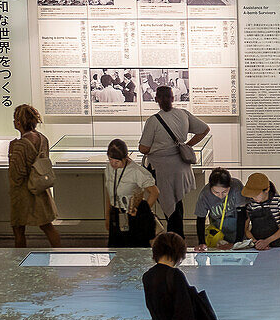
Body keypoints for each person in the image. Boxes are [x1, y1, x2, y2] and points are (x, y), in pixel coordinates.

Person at [138, 86, 210, 239]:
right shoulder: (183, 114)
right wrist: (186, 145)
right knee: (177, 202)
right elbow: (204, 129)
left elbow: (144, 148)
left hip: (161, 169)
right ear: (173, 98)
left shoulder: (153, 121)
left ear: (156, 99)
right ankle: (178, 240)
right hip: (180, 167)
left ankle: (173, 241)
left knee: (170, 207)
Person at [8, 104, 61, 248]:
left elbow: (16, 174)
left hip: (23, 193)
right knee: (47, 226)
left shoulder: (19, 145)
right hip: (40, 188)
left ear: (19, 122)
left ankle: (20, 263)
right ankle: (61, 255)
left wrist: (11, 152)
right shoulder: (42, 138)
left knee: (18, 229)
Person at [104, 139, 159, 247]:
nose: (113, 164)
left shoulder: (136, 171)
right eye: (110, 160)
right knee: (116, 250)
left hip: (132, 215)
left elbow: (155, 192)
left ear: (125, 158)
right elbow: (109, 193)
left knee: (135, 250)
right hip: (116, 214)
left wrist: (142, 212)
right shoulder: (109, 168)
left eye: (117, 162)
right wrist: (107, 216)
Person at [193, 168, 246, 252]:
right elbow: (200, 218)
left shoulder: (236, 186)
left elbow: (242, 215)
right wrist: (202, 242)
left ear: (230, 186)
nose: (221, 196)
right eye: (216, 192)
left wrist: (237, 242)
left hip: (237, 229)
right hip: (218, 232)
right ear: (210, 188)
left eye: (225, 192)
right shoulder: (205, 194)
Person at [241, 172, 280, 249]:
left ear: (267, 189)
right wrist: (256, 242)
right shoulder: (250, 204)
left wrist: (267, 241)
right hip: (256, 245)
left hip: (275, 243)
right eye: (252, 196)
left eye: (256, 195)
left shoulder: (278, 200)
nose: (254, 198)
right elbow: (246, 229)